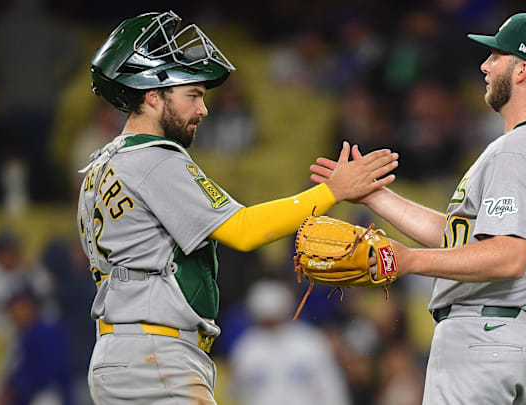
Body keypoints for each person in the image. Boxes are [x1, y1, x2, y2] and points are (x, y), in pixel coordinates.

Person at [77, 11, 398, 405]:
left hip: (124, 353)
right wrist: (331, 192)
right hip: (155, 357)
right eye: (192, 94)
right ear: (152, 95)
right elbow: (243, 230)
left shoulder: (101, 165)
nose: (203, 109)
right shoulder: (155, 159)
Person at [312, 12, 526, 404]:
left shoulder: (517, 151)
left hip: (485, 338)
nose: (485, 66)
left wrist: (410, 260)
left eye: (496, 57)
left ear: (521, 70)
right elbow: (466, 239)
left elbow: (507, 256)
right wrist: (374, 196)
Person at [229, 280, 351, 405]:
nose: (272, 324)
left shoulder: (309, 341)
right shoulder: (246, 348)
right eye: (266, 320)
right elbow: (237, 393)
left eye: (275, 318)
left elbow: (331, 387)